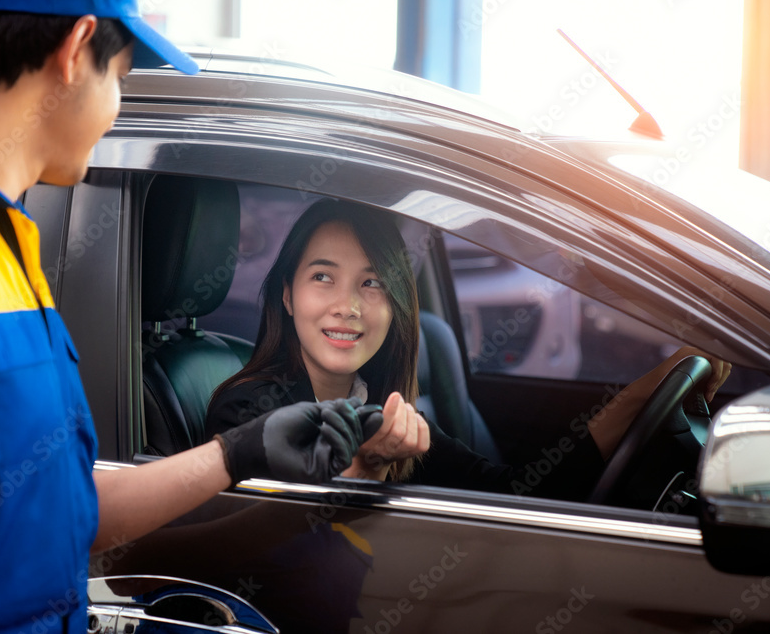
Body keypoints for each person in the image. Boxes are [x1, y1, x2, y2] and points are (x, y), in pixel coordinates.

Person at [0, 0, 381, 633]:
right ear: (76, 48)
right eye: (120, 77)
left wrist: (236, 452)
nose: (116, 104)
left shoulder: (1, 245)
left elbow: (63, 510)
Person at [205, 198, 733, 496]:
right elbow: (281, 551)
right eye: (323, 277)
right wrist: (364, 473)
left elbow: (513, 495)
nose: (348, 306)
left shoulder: (385, 409)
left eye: (372, 284)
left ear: (396, 308)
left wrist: (643, 395)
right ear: (287, 296)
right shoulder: (246, 411)